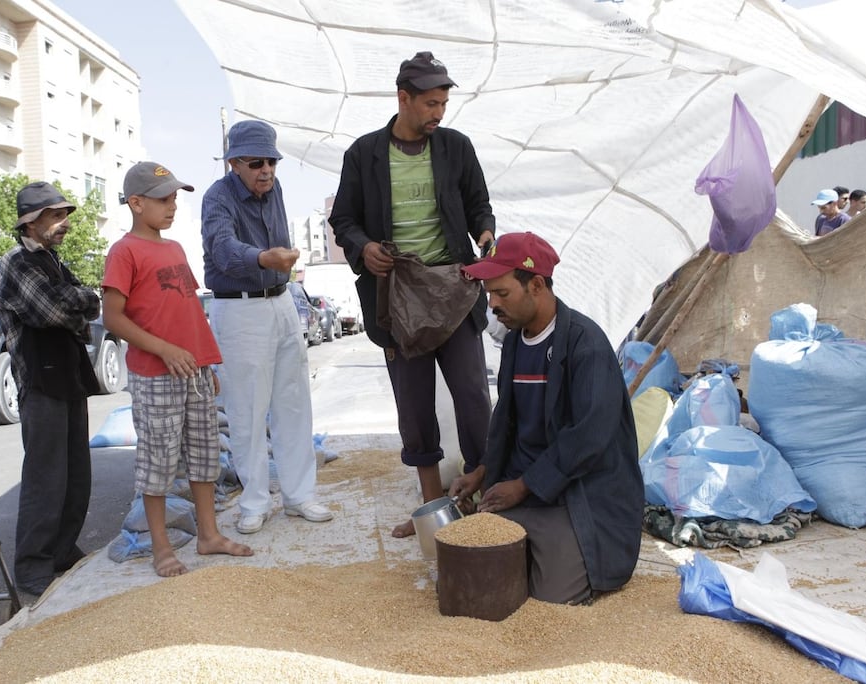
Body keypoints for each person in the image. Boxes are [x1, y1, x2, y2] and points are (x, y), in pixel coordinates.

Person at [329, 50, 495, 538]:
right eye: (430, 104)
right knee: (415, 405)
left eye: (443, 103)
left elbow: (478, 205)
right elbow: (343, 220)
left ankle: (486, 503)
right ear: (403, 98)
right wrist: (365, 248)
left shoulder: (455, 148)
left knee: (472, 397)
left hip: (454, 289)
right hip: (397, 296)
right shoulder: (363, 154)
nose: (438, 113)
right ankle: (432, 512)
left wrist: (484, 235)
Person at [451, 231, 643, 605]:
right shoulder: (512, 344)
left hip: (576, 493)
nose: (492, 305)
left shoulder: (586, 345)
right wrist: (483, 472)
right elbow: (506, 423)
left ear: (536, 285)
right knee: (469, 575)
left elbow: (589, 437)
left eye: (502, 293)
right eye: (489, 294)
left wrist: (524, 485)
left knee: (549, 598)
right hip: (524, 486)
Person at [101, 161, 253, 575]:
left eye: (173, 199)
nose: (172, 207)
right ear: (136, 203)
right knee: (159, 462)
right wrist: (165, 350)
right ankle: (161, 547)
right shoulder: (124, 251)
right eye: (163, 199)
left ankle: (208, 535)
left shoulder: (174, 249)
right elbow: (113, 317)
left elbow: (186, 312)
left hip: (194, 372)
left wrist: (205, 362)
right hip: (155, 375)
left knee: (205, 456)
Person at [201, 120, 333, 534]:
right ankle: (254, 502)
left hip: (280, 301)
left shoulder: (275, 191)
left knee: (293, 403)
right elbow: (222, 250)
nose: (267, 171)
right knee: (247, 410)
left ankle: (299, 495)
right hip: (239, 310)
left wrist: (279, 264)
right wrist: (263, 259)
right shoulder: (216, 197)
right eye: (257, 162)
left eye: (272, 162)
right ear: (234, 162)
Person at [0, 181, 102, 596]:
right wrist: (77, 302)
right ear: (30, 222)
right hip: (40, 382)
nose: (63, 224)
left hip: (69, 376)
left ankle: (61, 551)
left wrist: (77, 301)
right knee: (45, 476)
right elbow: (52, 311)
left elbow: (91, 304)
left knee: (77, 474)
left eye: (63, 216)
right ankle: (33, 565)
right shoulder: (17, 263)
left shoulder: (53, 261)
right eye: (54, 217)